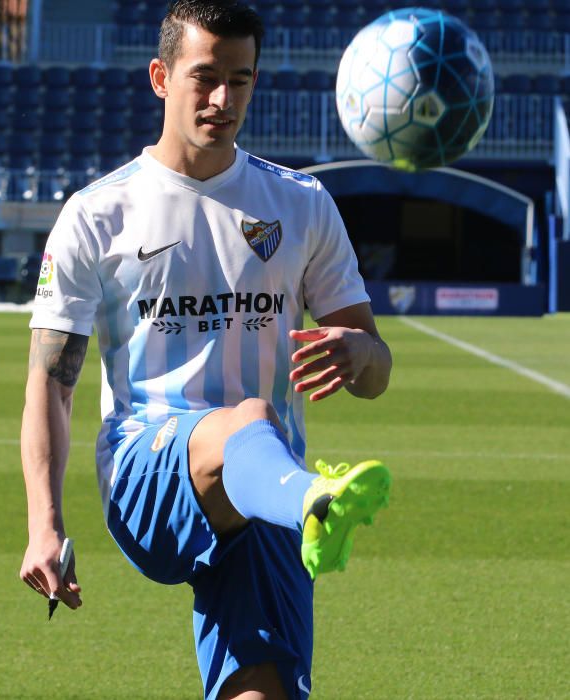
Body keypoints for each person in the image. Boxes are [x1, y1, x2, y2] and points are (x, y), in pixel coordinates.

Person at [19, 1, 392, 698]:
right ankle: (316, 500)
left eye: (240, 80)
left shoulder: (301, 204)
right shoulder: (98, 214)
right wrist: (45, 526)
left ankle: (303, 502)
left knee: (264, 691)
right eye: (205, 77)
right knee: (248, 417)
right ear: (161, 77)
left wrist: (359, 353)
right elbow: (51, 384)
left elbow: (375, 366)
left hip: (264, 494)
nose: (223, 99)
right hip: (146, 472)